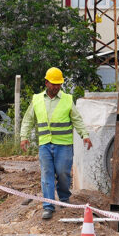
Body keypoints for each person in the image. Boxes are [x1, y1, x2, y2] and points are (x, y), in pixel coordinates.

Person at [19, 67, 93, 220]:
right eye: (53, 84)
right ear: (46, 83)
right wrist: (24, 136)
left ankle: (64, 198)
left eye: (59, 84)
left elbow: (77, 119)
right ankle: (48, 206)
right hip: (45, 144)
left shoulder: (67, 99)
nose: (56, 87)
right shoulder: (37, 99)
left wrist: (84, 135)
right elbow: (28, 119)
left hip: (64, 145)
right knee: (47, 175)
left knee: (63, 174)